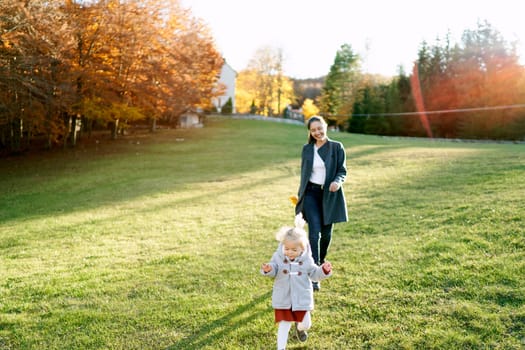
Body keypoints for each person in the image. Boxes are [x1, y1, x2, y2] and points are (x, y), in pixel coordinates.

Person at [261, 214, 332, 350]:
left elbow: (315, 274)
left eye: (294, 250)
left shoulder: (306, 260)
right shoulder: (278, 257)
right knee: (284, 324)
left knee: (306, 324)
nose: (290, 253)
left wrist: (323, 270)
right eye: (287, 249)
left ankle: (299, 328)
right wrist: (269, 269)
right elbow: (274, 268)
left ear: (303, 249)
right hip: (284, 298)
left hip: (301, 298)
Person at [295, 115, 348, 291]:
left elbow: (342, 170)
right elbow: (304, 175)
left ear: (325, 126)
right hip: (310, 194)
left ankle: (321, 260)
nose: (317, 132)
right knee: (314, 233)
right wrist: (300, 197)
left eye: (320, 128)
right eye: (313, 130)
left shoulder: (336, 147)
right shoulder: (307, 149)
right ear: (310, 132)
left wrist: (337, 182)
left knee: (326, 235)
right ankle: (315, 273)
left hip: (329, 195)